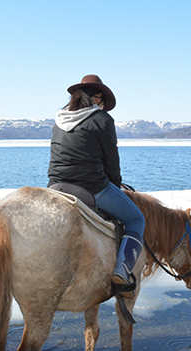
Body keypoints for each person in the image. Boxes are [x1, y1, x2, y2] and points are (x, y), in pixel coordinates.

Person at [48, 75, 145, 298]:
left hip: (55, 186)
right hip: (90, 187)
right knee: (136, 219)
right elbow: (111, 159)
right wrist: (115, 184)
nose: (103, 106)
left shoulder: (59, 120)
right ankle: (122, 271)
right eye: (102, 101)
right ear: (98, 97)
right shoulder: (102, 119)